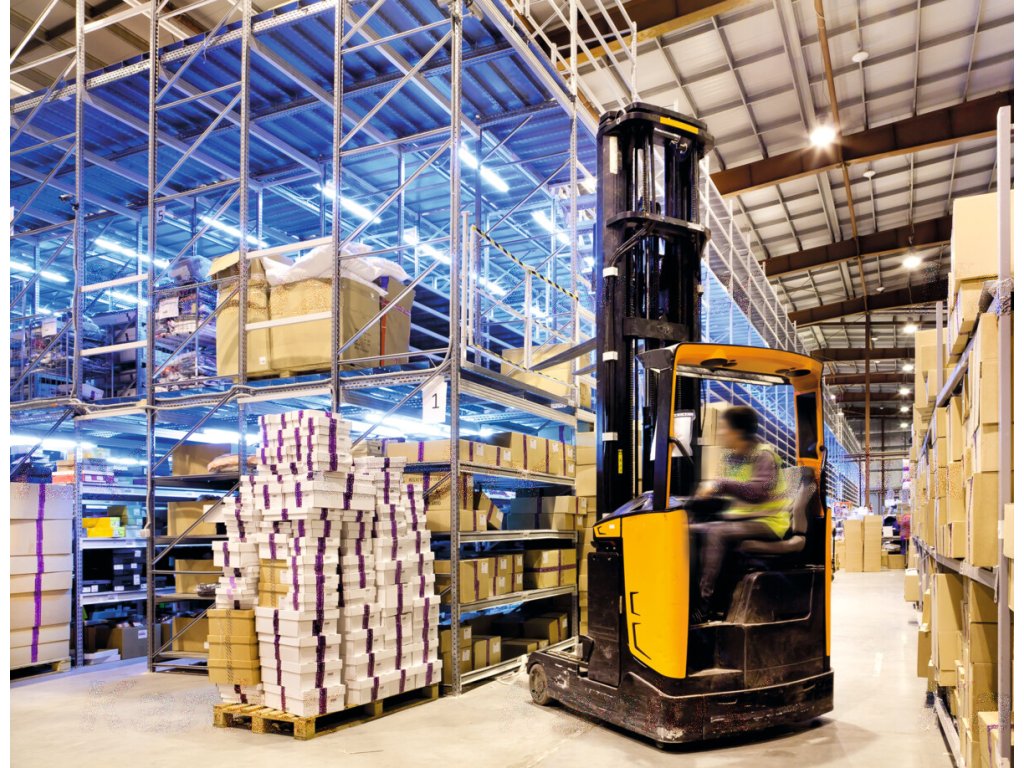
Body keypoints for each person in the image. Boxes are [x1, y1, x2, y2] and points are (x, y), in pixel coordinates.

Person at [690, 405, 791, 624]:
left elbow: (756, 492)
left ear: (738, 432)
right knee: (692, 530)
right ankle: (689, 596)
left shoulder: (764, 455)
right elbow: (728, 491)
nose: (720, 433)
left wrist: (720, 485)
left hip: (768, 522)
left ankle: (705, 606)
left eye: (724, 428)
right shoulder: (732, 457)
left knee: (716, 533)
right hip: (743, 519)